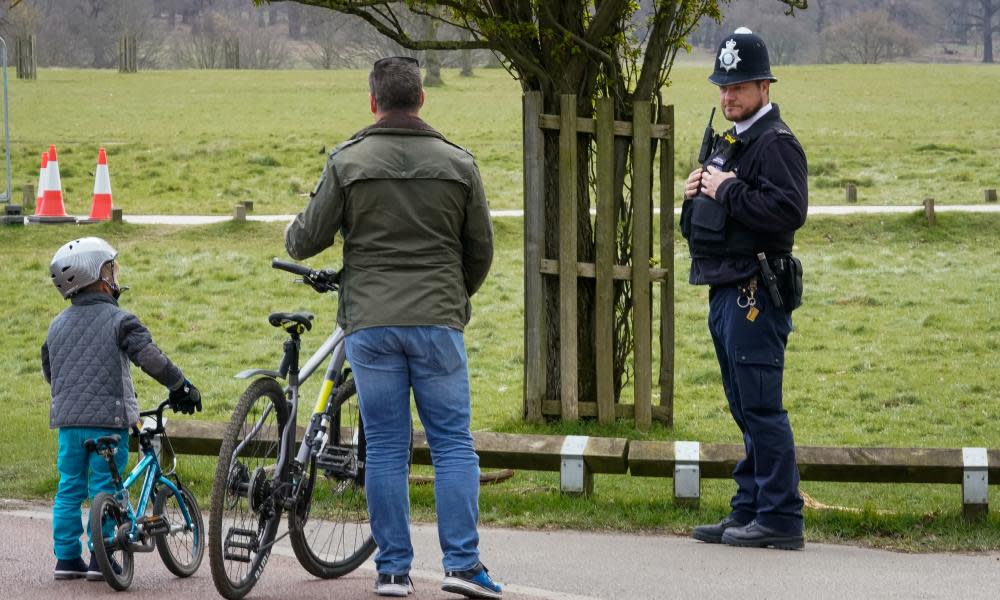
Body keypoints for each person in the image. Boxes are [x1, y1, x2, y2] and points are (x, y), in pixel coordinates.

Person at [285, 56, 500, 598]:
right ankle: (463, 564)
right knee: (452, 443)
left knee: (383, 446)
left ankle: (393, 571)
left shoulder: (347, 161)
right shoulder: (459, 164)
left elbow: (305, 239)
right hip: (438, 319)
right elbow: (480, 251)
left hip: (370, 323)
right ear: (422, 99)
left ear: (372, 102)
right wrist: (453, 298)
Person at [680, 28, 808, 550]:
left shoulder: (775, 144)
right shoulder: (732, 141)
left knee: (760, 405)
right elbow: (707, 224)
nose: (728, 96)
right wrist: (694, 198)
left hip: (755, 289)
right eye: (723, 87)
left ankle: (780, 516)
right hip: (724, 286)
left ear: (764, 87)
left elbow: (787, 212)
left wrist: (726, 189)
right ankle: (751, 505)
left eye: (738, 87)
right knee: (742, 404)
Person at [43, 237, 202, 581]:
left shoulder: (55, 326)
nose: (115, 274)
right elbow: (150, 358)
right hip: (107, 421)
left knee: (69, 487)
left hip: (69, 424)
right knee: (106, 486)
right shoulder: (120, 320)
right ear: (97, 276)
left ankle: (67, 559)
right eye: (110, 268)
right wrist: (181, 385)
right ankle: (103, 558)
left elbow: (49, 372)